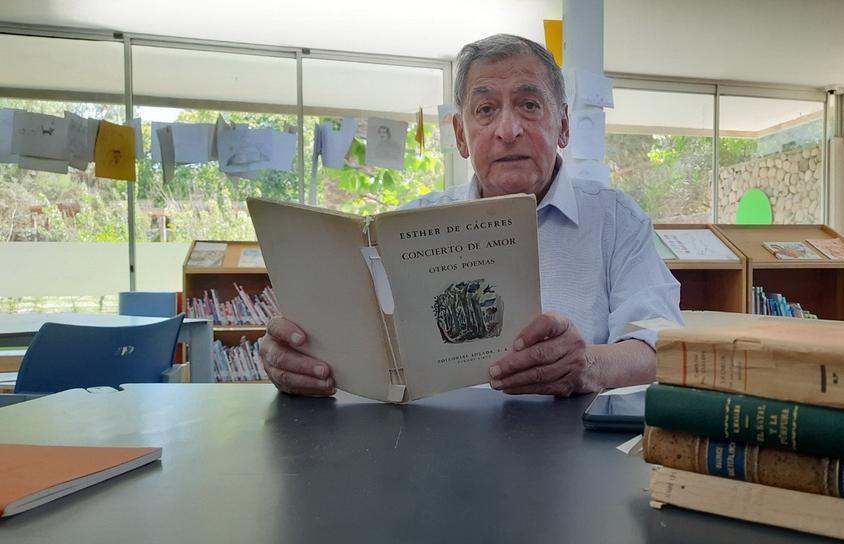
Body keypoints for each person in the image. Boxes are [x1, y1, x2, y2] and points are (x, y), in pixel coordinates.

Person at [262, 33, 682, 398]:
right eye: (485, 110)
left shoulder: (616, 220)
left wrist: (588, 365)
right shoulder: (402, 228)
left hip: (575, 451)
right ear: (461, 136)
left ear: (564, 126)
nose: (507, 130)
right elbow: (342, 346)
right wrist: (298, 358)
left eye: (529, 104)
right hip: (430, 453)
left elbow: (661, 347)